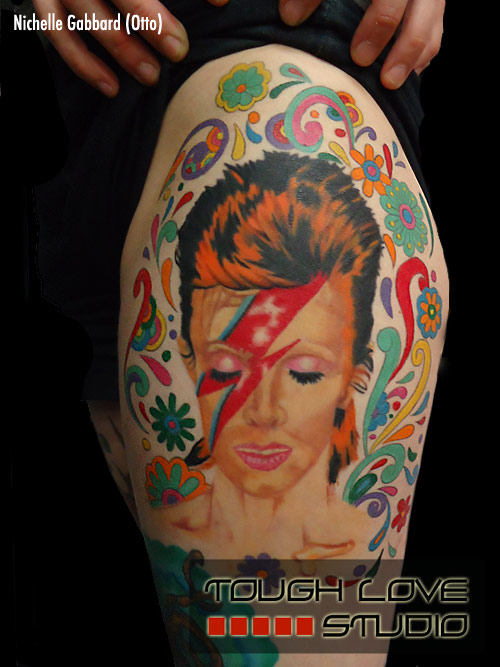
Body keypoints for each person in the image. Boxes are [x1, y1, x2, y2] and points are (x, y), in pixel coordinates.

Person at [25, 1, 452, 664]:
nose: (265, 410)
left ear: (358, 373)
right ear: (186, 356)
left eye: (303, 372)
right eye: (228, 368)